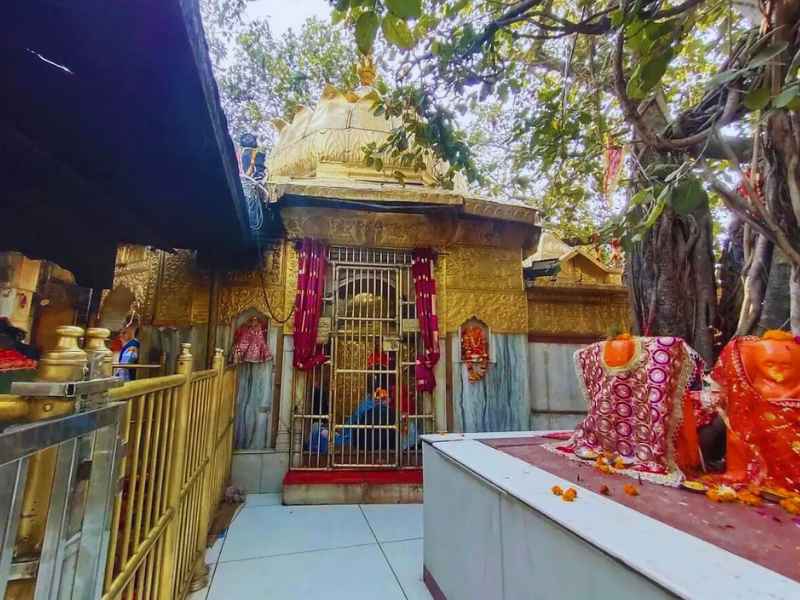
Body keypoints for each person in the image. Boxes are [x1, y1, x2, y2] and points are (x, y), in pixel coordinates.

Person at [113, 316, 140, 382]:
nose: (121, 335)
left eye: (124, 332)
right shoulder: (130, 344)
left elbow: (125, 364)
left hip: (127, 379)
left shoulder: (133, 344)